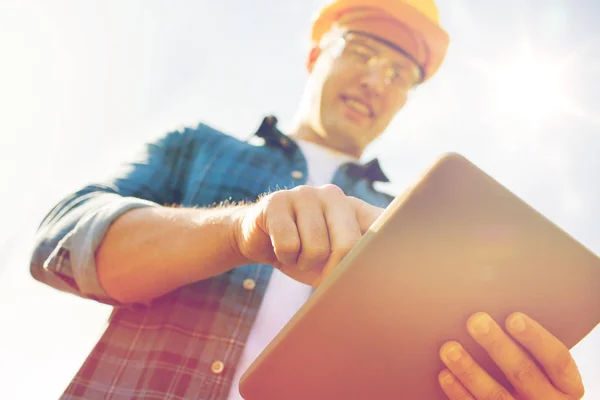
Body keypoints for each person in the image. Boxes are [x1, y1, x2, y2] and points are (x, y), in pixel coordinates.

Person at [30, 0, 586, 399]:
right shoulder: (196, 147)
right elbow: (64, 242)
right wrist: (240, 231)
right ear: (316, 54)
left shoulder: (413, 227)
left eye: (399, 74)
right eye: (364, 51)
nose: (376, 80)